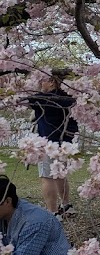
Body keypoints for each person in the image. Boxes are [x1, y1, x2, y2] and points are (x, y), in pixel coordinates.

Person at [24, 72, 79, 215]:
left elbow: (23, 100)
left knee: (47, 177)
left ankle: (52, 212)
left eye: (42, 80)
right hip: (66, 144)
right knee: (60, 174)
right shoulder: (70, 98)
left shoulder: (43, 99)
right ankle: (66, 206)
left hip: (48, 143)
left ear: (52, 82)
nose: (40, 83)